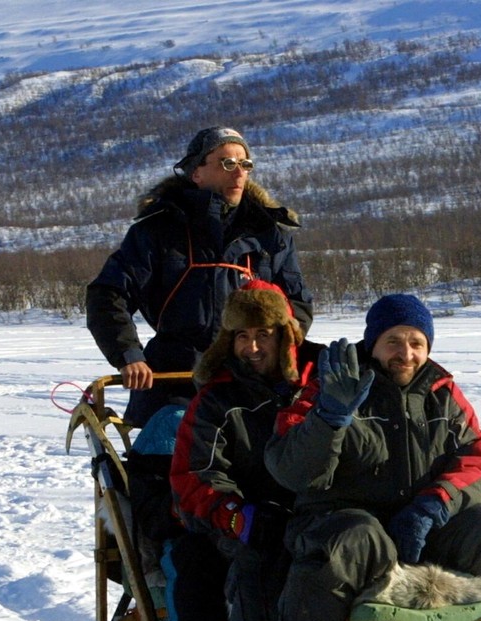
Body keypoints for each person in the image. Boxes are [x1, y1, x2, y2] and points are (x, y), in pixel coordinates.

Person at [264, 293, 481, 621]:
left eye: (416, 343)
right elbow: (292, 470)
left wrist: (434, 504)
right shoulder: (331, 385)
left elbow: (480, 461)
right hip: (347, 531)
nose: (406, 354)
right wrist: (329, 417)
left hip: (423, 532)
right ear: (373, 343)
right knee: (354, 535)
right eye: (393, 341)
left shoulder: (442, 393)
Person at [86, 126, 313, 427]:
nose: (239, 172)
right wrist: (129, 355)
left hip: (252, 379)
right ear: (197, 173)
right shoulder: (157, 230)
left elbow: (296, 303)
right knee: (166, 456)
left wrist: (281, 344)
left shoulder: (269, 234)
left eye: (245, 164)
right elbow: (107, 294)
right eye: (226, 163)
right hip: (175, 378)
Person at [169, 279, 324, 621]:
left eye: (262, 335)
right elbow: (194, 474)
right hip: (237, 513)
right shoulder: (218, 399)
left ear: (286, 336)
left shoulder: (319, 383)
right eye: (242, 336)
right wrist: (237, 515)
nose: (251, 348)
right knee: (233, 554)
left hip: (311, 508)